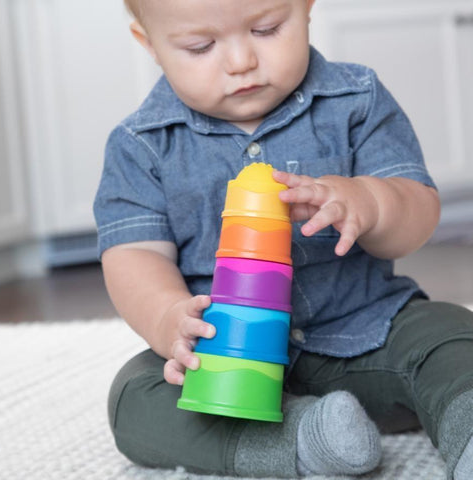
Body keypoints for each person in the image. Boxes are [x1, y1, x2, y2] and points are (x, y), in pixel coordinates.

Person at [94, 0, 473, 478]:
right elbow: (133, 256)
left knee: (451, 335)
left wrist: (370, 202)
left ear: (306, 6)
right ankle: (303, 438)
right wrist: (166, 317)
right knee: (133, 397)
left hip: (366, 336)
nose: (241, 62)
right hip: (223, 365)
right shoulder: (141, 144)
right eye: (202, 46)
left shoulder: (356, 100)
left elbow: (418, 210)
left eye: (267, 28)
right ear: (149, 44)